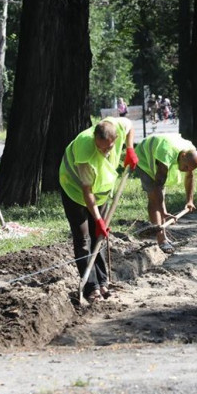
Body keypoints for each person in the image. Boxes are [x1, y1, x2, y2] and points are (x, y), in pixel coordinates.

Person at [59, 117, 138, 303]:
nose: (105, 151)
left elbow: (130, 126)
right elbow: (87, 193)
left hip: (101, 192)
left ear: (115, 138)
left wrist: (130, 149)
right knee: (83, 239)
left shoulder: (116, 126)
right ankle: (90, 287)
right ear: (95, 138)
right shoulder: (85, 152)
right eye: (101, 147)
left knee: (99, 238)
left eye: (109, 147)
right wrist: (99, 220)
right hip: (74, 191)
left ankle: (103, 282)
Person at [134, 134, 197, 254]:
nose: (186, 170)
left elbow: (190, 176)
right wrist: (163, 211)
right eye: (185, 167)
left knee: (160, 196)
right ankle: (161, 240)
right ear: (183, 156)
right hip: (143, 156)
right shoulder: (166, 153)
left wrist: (190, 200)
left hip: (160, 151)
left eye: (189, 168)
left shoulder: (190, 151)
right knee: (154, 197)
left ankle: (163, 235)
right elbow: (158, 185)